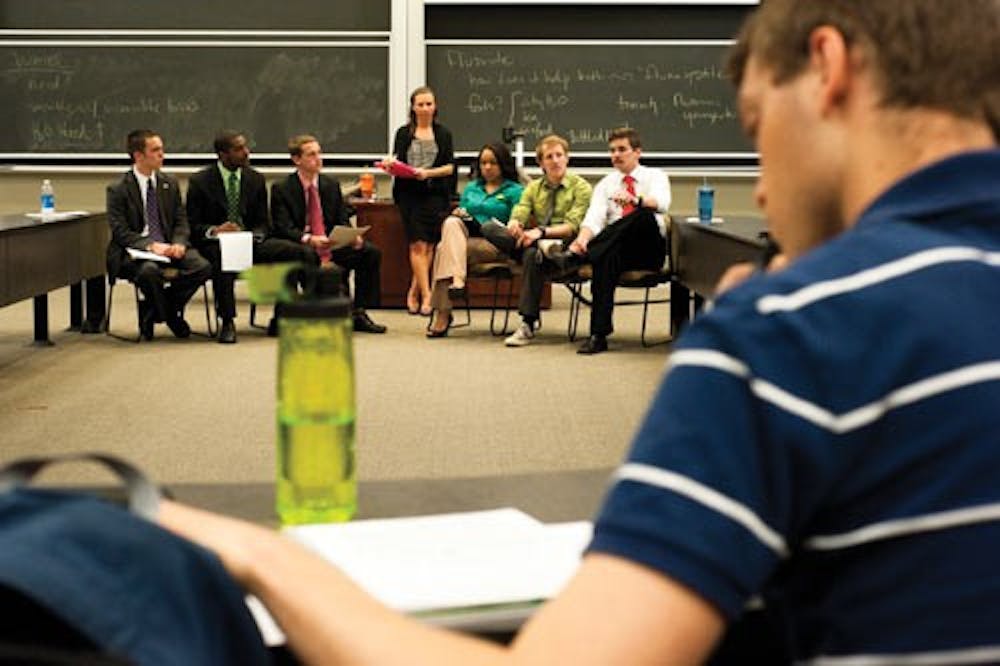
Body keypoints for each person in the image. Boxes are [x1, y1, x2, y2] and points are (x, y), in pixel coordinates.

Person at [159, 0, 1000, 662]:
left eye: (754, 126)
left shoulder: (791, 338)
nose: (764, 192)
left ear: (827, 69)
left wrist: (269, 558)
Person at [186, 130, 311, 344]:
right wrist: (215, 230)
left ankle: (282, 318)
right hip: (217, 244)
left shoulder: (255, 179)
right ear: (223, 155)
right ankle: (227, 321)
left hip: (250, 241)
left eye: (245, 147)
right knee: (224, 256)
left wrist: (254, 235)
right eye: (238, 149)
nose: (246, 152)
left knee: (293, 251)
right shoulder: (200, 181)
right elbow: (193, 224)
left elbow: (263, 221)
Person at [557, 127, 671, 355]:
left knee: (641, 215)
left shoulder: (655, 176)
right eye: (612, 151)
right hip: (617, 249)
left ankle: (581, 256)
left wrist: (635, 200)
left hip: (648, 248)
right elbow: (594, 219)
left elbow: (662, 203)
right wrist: (581, 239)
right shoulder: (605, 185)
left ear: (637, 152)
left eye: (621, 149)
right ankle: (598, 335)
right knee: (605, 258)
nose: (616, 155)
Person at [480, 134, 592, 347]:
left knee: (532, 255)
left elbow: (572, 226)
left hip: (566, 248)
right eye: (549, 157)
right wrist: (515, 223)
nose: (555, 160)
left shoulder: (581, 187)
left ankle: (527, 324)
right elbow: (521, 209)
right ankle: (540, 249)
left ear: (567, 158)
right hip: (536, 244)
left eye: (559, 155)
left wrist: (541, 232)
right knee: (489, 228)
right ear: (541, 163)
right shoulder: (533, 188)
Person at [270, 135, 386, 335]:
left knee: (370, 253)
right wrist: (309, 239)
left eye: (319, 153)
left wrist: (351, 236)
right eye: (311, 154)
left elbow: (341, 218)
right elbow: (283, 227)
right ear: (297, 159)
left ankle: (358, 311)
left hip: (330, 242)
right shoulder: (282, 188)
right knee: (305, 254)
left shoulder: (330, 185)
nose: (318, 158)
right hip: (303, 245)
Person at [106, 129, 211, 341]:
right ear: (138, 156)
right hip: (136, 251)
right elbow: (120, 231)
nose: (162, 154)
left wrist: (179, 243)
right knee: (149, 272)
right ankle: (171, 316)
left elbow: (181, 220)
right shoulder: (118, 189)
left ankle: (154, 310)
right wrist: (150, 245)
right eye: (155, 150)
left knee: (202, 267)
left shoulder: (169, 183)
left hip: (169, 246)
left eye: (162, 149)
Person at [426, 142, 525, 337]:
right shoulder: (472, 188)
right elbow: (462, 213)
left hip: (495, 244)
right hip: (467, 239)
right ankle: (457, 281)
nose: (487, 167)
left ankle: (443, 313)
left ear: (503, 164)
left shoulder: (515, 190)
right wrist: (460, 213)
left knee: (442, 249)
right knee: (452, 222)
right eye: (483, 163)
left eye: (492, 163)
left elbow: (517, 220)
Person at [384, 86, 456, 316]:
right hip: (409, 195)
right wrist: (390, 165)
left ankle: (413, 292)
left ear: (435, 107)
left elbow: (449, 167)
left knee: (430, 245)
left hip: (435, 194)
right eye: (420, 104)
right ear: (413, 108)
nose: (425, 108)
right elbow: (397, 161)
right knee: (417, 245)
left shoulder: (443, 134)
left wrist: (428, 173)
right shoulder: (403, 133)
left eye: (429, 104)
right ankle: (427, 295)